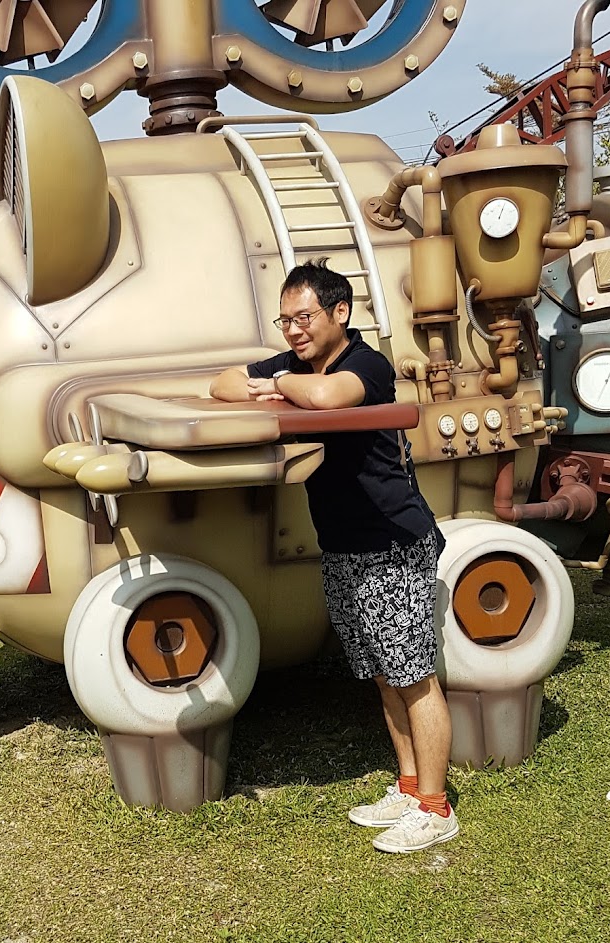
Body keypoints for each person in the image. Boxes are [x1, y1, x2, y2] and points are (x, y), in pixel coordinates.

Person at [210, 259, 456, 854]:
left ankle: (436, 807)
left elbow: (325, 397)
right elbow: (222, 383)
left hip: (392, 542)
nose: (294, 330)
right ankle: (408, 787)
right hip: (344, 544)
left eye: (304, 317)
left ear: (340, 312)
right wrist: (275, 381)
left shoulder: (365, 364)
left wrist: (277, 382)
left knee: (415, 678)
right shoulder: (298, 365)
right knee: (384, 674)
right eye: (285, 320)